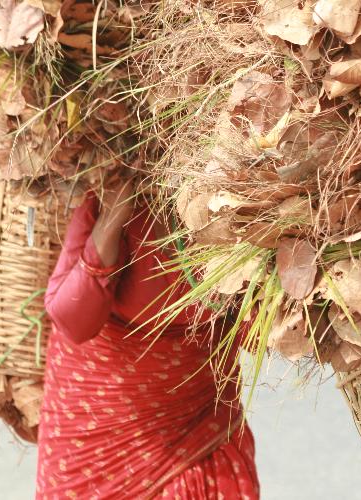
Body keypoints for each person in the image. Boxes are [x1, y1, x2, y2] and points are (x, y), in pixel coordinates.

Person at [36, 173, 259, 498]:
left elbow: (258, 336)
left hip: (196, 421)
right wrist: (113, 215)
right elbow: (71, 320)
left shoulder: (243, 202)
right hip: (96, 425)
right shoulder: (121, 187)